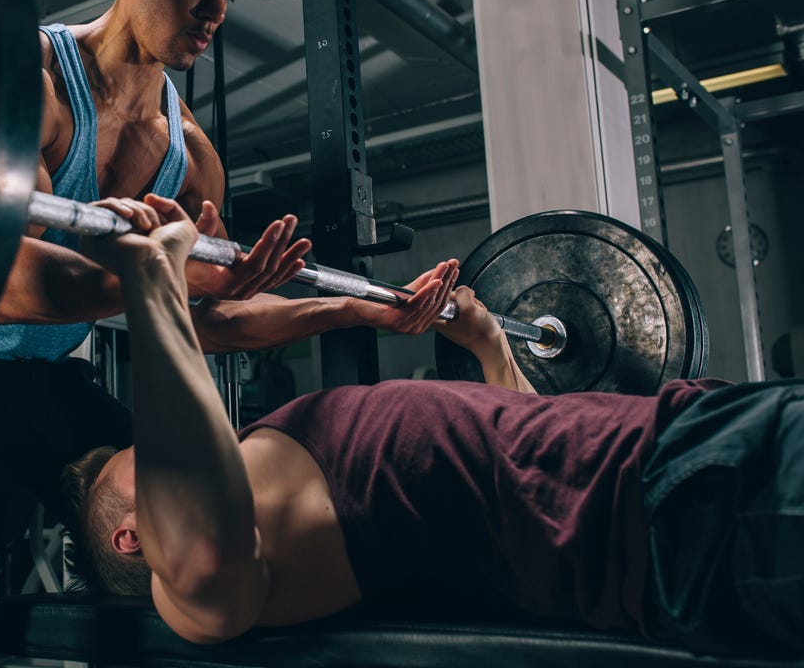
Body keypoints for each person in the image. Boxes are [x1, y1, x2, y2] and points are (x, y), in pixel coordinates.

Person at [0, 0, 460, 667]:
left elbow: (202, 326)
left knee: (196, 519)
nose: (216, 7)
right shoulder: (33, 80)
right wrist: (165, 278)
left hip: (49, 380)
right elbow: (9, 284)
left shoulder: (190, 152)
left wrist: (351, 314)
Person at [62, 193, 804, 658]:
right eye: (141, 452)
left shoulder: (264, 458)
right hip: (677, 513)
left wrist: (487, 343)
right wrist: (152, 284)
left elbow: (524, 441)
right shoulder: (196, 590)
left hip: (695, 441)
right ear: (133, 536)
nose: (158, 434)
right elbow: (201, 555)